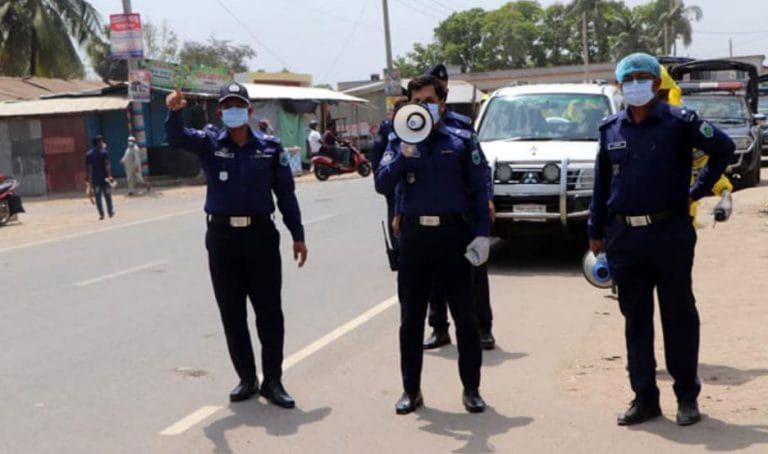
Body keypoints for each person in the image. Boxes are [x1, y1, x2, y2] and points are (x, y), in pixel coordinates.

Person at [588, 53, 735, 427]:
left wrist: (698, 190)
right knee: (635, 320)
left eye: (643, 77)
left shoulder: (678, 122)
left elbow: (723, 148)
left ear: (656, 84)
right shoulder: (611, 129)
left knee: (678, 316)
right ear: (620, 85)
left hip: (669, 233)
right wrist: (595, 232)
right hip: (624, 236)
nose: (635, 84)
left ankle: (687, 397)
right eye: (629, 78)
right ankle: (644, 398)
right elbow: (601, 184)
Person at [164, 82, 308, 408]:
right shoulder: (209, 143)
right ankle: (246, 378)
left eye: (238, 105)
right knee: (232, 313)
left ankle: (273, 381)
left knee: (269, 313)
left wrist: (297, 234)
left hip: (260, 237)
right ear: (219, 112)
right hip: (222, 239)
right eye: (227, 106)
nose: (233, 110)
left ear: (249, 110)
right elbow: (177, 138)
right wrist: (174, 112)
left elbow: (285, 193)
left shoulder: (270, 147)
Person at [375, 75, 491, 415]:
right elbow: (382, 183)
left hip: (454, 236)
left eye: (428, 100)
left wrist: (482, 234)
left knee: (465, 318)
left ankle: (472, 389)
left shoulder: (460, 139)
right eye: (416, 100)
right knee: (410, 319)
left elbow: (479, 189)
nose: (422, 106)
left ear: (442, 103)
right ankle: (411, 391)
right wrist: (402, 155)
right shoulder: (400, 139)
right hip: (413, 238)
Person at [419, 63, 497, 351]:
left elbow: (481, 167)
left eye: (441, 86)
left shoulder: (461, 126)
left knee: (474, 272)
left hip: (461, 213)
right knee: (433, 279)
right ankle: (439, 328)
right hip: (428, 215)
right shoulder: (411, 125)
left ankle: (483, 328)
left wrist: (485, 198)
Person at [658, 66, 733, 226]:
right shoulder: (619, 129)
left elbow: (705, 162)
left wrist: (723, 191)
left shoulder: (682, 125)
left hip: (676, 217)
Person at [85, 135, 115, 220]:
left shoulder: (88, 154)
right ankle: (110, 212)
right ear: (98, 143)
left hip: (95, 180)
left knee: (98, 198)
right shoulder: (104, 153)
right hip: (105, 179)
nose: (102, 143)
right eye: (101, 141)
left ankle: (101, 214)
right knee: (108, 196)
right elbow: (107, 165)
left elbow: (88, 168)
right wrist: (110, 176)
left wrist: (88, 179)